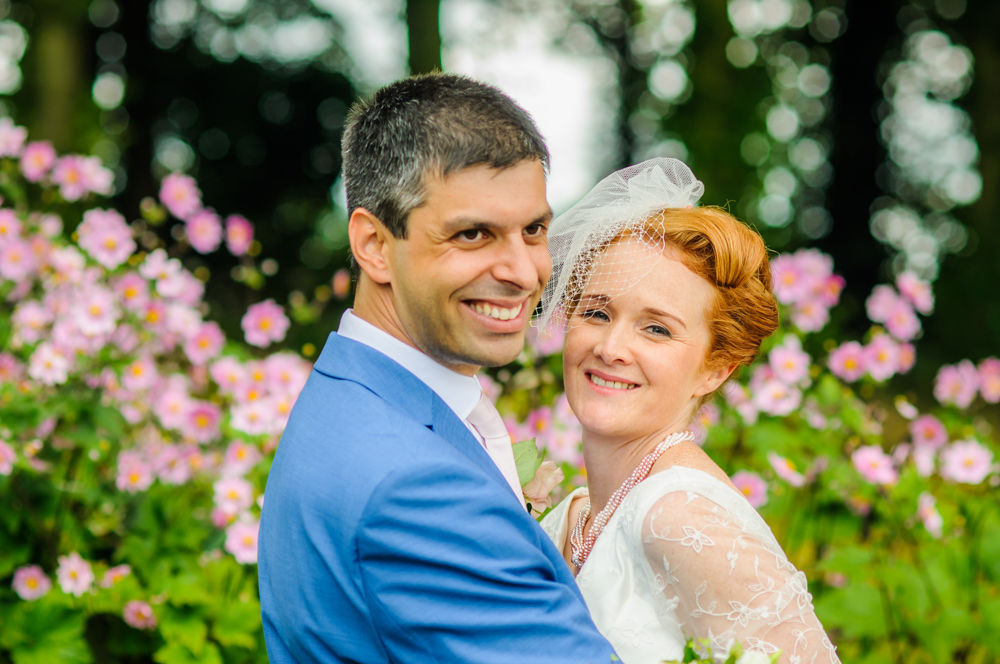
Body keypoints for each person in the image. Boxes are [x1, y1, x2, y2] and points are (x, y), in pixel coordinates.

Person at [257, 72, 617, 663]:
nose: (525, 273)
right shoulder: (417, 488)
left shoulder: (349, 398)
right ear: (374, 244)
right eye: (473, 234)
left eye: (534, 230)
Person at [538, 158, 841, 663]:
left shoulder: (679, 515)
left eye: (656, 328)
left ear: (715, 369)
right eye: (596, 312)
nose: (611, 347)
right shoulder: (573, 516)